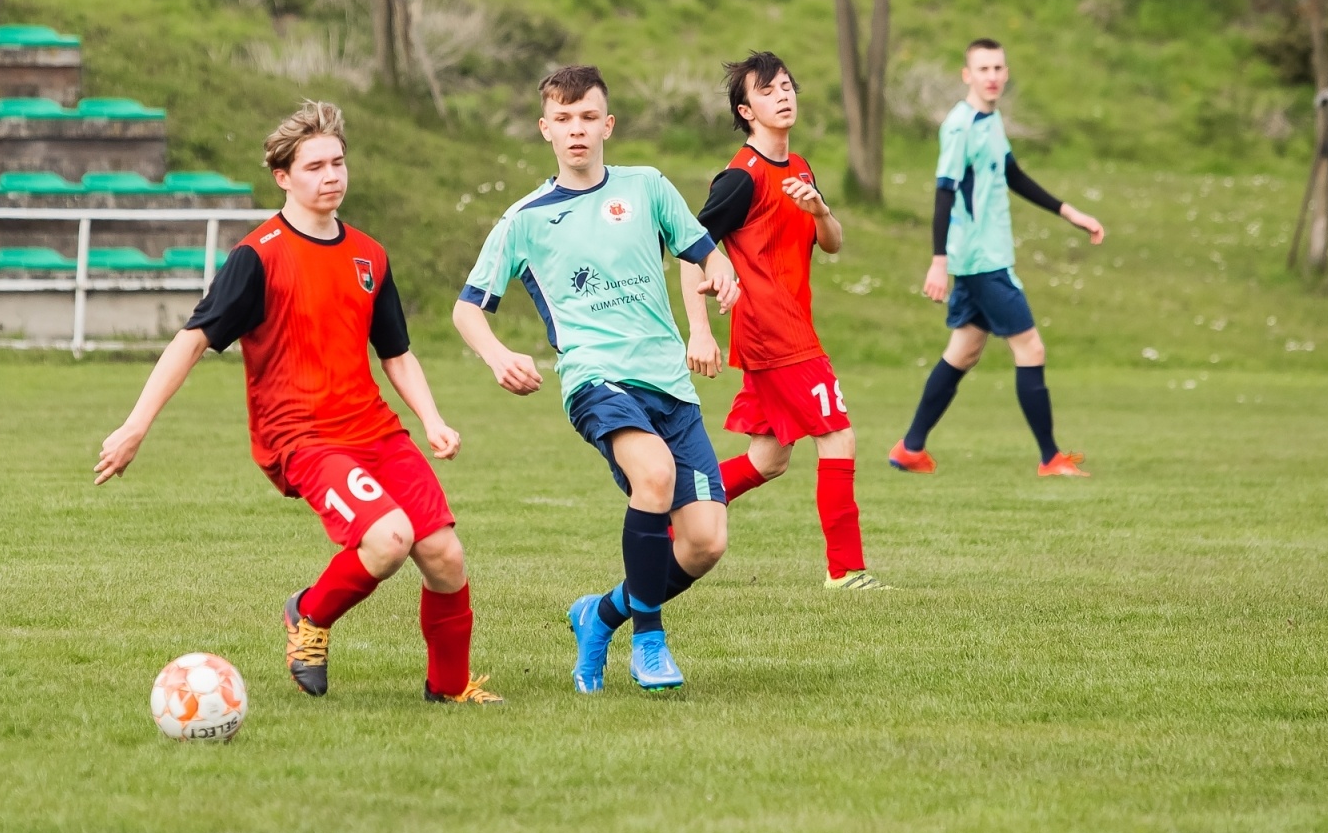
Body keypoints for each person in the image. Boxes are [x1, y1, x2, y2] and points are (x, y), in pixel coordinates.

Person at [95, 100, 502, 705]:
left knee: (443, 553)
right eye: (314, 166)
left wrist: (433, 420)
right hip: (303, 438)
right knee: (388, 539)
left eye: (338, 162)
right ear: (283, 177)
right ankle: (308, 616)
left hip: (375, 431)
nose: (331, 175)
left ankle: (449, 691)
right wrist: (134, 427)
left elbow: (395, 352)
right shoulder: (257, 257)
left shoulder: (369, 255)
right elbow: (191, 340)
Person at [452, 65, 740, 694]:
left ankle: (600, 614)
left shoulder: (647, 188)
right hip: (596, 379)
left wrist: (720, 272)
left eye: (587, 118)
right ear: (545, 130)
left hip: (669, 383)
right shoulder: (524, 219)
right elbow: (468, 307)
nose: (576, 130)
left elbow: (700, 248)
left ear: (607, 125)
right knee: (655, 475)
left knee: (704, 544)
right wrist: (499, 355)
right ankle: (649, 642)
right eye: (563, 119)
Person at [680, 50, 882, 590]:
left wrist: (820, 209)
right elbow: (687, 250)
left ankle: (671, 506)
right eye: (768, 91)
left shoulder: (800, 168)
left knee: (767, 460)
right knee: (838, 437)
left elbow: (832, 244)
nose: (784, 96)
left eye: (788, 86)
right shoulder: (739, 179)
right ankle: (846, 572)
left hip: (791, 328)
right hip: (774, 333)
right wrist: (699, 331)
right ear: (747, 111)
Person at [888, 39, 1105, 477]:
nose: (992, 76)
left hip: (983, 258)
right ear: (966, 75)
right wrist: (938, 260)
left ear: (1005, 73)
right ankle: (1050, 458)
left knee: (963, 351)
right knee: (1031, 347)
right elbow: (944, 192)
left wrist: (1071, 213)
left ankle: (910, 448)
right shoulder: (960, 126)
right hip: (981, 260)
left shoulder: (991, 119)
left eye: (998, 68)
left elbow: (1012, 175)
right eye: (983, 68)